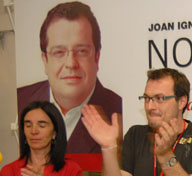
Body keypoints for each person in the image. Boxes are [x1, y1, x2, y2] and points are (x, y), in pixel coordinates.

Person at [17, 1, 122, 154]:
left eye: (81, 51)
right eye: (59, 52)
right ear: (45, 60)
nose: (71, 64)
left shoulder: (118, 112)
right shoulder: (20, 101)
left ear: (97, 57)